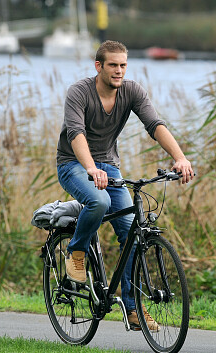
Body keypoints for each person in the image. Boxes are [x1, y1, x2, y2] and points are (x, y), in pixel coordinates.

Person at [56, 40, 194, 331]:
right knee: (99, 202)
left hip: (109, 166)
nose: (119, 71)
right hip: (74, 165)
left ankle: (133, 309)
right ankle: (76, 251)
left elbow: (155, 124)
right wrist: (91, 168)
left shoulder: (131, 91)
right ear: (99, 67)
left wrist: (179, 157)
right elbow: (75, 134)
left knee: (132, 234)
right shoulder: (79, 92)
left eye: (123, 65)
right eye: (113, 65)